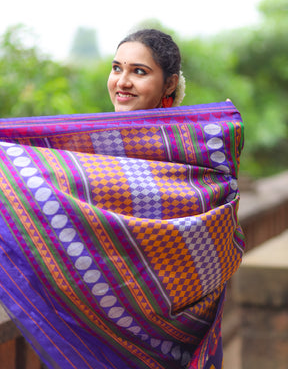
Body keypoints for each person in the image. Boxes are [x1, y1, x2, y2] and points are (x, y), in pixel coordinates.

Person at [0, 28, 244, 369]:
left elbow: (206, 250)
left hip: (176, 344)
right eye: (117, 68)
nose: (122, 81)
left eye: (139, 72)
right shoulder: (88, 152)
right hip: (101, 336)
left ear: (169, 84)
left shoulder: (196, 161)